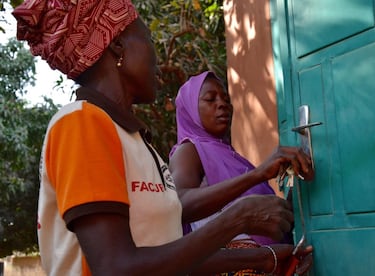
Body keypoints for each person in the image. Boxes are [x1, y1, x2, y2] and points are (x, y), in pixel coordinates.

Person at [13, 0, 312, 275]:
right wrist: (238, 218)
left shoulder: (138, 143)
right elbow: (116, 268)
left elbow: (168, 257)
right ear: (117, 45)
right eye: (148, 40)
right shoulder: (81, 123)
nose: (156, 57)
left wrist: (264, 259)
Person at [169, 71, 314, 274]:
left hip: (267, 264)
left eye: (226, 99)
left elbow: (267, 218)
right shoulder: (189, 150)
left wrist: (297, 181)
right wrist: (259, 174)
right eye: (210, 99)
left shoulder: (231, 157)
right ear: (189, 110)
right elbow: (178, 203)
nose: (222, 104)